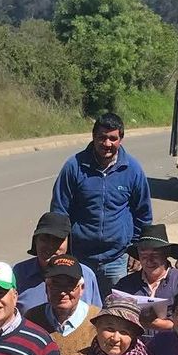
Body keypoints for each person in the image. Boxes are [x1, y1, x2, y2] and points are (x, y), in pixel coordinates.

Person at [51, 113, 153, 292]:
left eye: (113, 138)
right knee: (79, 310)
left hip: (116, 259)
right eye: (102, 138)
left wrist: (137, 252)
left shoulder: (133, 170)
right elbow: (59, 212)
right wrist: (61, 250)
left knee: (114, 312)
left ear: (121, 139)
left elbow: (143, 214)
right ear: (93, 137)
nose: (107, 144)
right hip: (80, 257)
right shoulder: (74, 167)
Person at [14, 210, 103, 314]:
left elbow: (96, 316)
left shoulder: (86, 275)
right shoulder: (18, 273)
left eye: (57, 240)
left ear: (68, 243)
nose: (50, 245)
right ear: (35, 241)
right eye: (44, 239)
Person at [114, 223, 178, 331]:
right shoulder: (125, 285)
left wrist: (159, 324)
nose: (149, 260)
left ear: (166, 254)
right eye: (144, 256)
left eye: (155, 255)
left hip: (172, 344)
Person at [23, 254, 99, 355]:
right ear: (46, 288)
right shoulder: (32, 319)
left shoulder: (97, 320)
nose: (62, 292)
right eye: (56, 285)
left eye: (70, 285)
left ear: (82, 288)